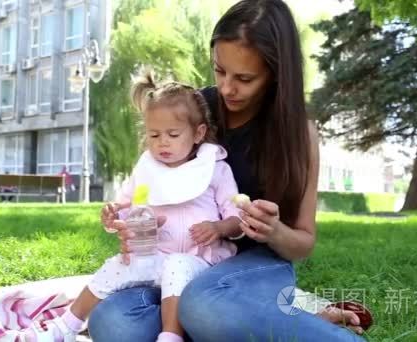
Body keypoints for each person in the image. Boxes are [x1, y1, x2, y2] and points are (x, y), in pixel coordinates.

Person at [87, 0, 369, 341]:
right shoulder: (193, 112)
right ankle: (282, 317)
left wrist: (273, 230)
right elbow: (147, 185)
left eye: (244, 78)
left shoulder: (298, 134)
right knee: (113, 323)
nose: (226, 88)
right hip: (176, 263)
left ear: (276, 74)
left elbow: (303, 243)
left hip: (253, 265)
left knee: (205, 305)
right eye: (219, 71)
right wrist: (135, 221)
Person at [29, 71, 245, 342]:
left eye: (173, 134)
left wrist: (218, 227)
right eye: (154, 135)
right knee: (118, 263)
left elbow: (237, 218)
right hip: (156, 257)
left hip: (199, 261)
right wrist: (114, 213)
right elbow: (130, 203)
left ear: (198, 133)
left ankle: (170, 336)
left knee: (176, 265)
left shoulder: (214, 169)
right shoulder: (147, 169)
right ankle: (65, 326)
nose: (162, 142)